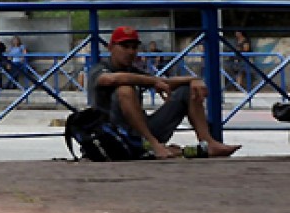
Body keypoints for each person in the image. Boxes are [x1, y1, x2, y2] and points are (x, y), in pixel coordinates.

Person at [91, 26, 241, 159]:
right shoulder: (100, 68)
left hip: (141, 131)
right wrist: (152, 82)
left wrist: (193, 79)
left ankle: (208, 142)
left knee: (186, 90)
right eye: (125, 46)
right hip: (112, 136)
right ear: (111, 48)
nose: (130, 52)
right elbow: (110, 80)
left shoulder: (133, 70)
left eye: (134, 47)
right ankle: (153, 145)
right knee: (125, 90)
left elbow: (163, 81)